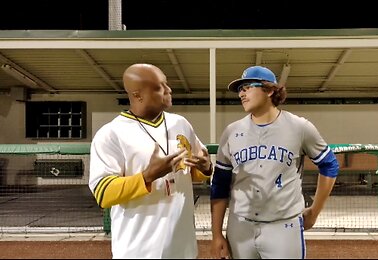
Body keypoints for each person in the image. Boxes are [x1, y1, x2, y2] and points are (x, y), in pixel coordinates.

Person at [210, 65, 339, 259]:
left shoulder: (299, 127)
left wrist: (314, 211)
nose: (241, 94)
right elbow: (219, 185)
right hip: (240, 226)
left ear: (269, 90)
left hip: (283, 226)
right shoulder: (231, 132)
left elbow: (329, 164)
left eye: (247, 87)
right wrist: (216, 234)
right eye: (239, 90)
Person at [88, 63, 213, 259]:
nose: (168, 90)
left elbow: (194, 173)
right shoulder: (111, 133)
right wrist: (148, 176)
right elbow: (103, 193)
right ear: (137, 95)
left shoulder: (180, 123)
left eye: (167, 84)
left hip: (183, 247)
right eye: (159, 86)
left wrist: (206, 169)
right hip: (138, 250)